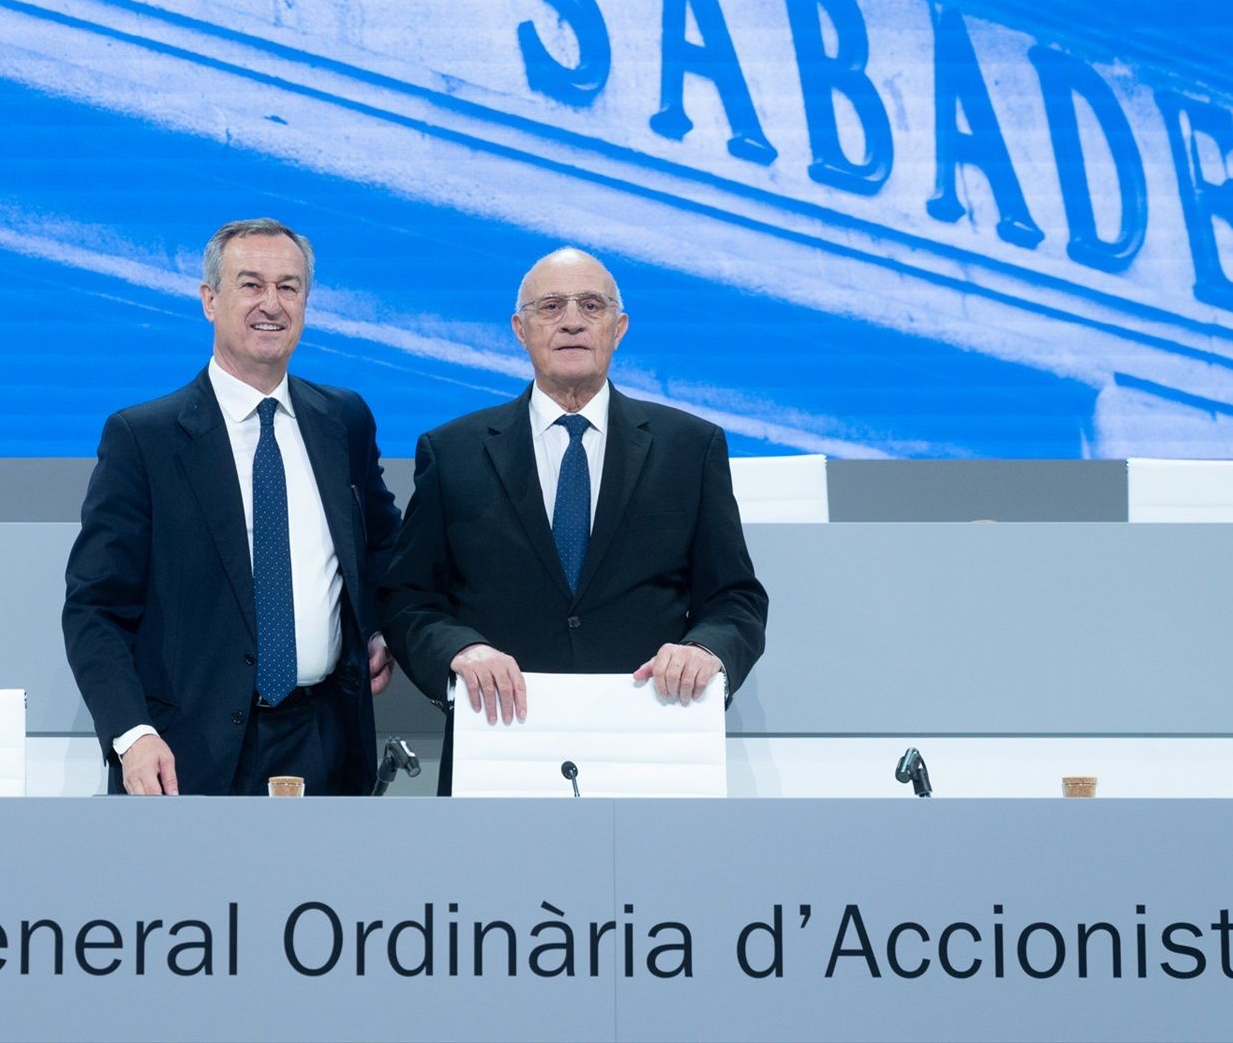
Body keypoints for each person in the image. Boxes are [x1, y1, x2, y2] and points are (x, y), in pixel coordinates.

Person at [380, 247, 768, 794]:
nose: (571, 321)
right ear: (520, 328)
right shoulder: (453, 451)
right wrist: (460, 651)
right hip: (498, 747)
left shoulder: (690, 447)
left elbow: (736, 598)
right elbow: (409, 598)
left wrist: (705, 649)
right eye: (550, 306)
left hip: (652, 746)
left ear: (619, 327)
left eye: (591, 305)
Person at [62, 219, 402, 795]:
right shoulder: (144, 439)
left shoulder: (345, 421)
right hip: (188, 753)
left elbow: (384, 548)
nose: (271, 304)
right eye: (251, 285)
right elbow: (95, 607)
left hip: (328, 741)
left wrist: (383, 628)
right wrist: (131, 733)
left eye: (289, 287)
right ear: (210, 300)